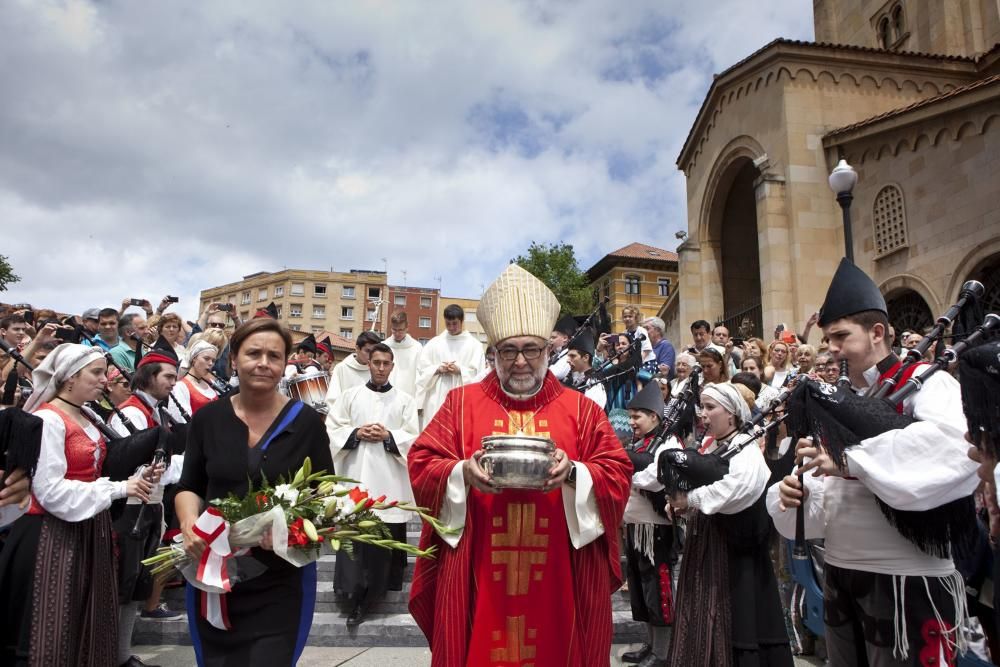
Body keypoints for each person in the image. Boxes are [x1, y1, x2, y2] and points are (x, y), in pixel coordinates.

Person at [407, 264, 631, 666]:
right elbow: (423, 462)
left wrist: (575, 473)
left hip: (561, 568)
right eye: (508, 350)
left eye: (532, 349)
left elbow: (616, 471)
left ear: (549, 351)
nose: (521, 361)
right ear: (493, 354)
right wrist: (461, 472)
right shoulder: (460, 405)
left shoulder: (581, 411)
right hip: (479, 564)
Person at [768, 258, 979, 666]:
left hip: (908, 579)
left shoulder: (930, 383)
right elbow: (831, 495)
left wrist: (848, 460)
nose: (830, 348)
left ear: (877, 332)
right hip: (841, 572)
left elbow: (953, 449)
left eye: (840, 336)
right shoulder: (849, 399)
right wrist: (797, 494)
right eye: (827, 338)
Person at [175, 318, 335, 666]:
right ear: (233, 359)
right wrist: (189, 525)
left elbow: (324, 495)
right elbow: (189, 486)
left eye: (274, 356)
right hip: (214, 577)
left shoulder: (306, 422)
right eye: (253, 353)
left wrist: (291, 529)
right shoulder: (208, 420)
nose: (264, 363)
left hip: (281, 579)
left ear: (284, 364)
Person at [0, 344, 157, 666]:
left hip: (88, 530)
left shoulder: (86, 413)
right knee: (52, 630)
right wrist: (117, 488)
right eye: (96, 373)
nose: (105, 379)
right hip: (52, 536)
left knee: (83, 627)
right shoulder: (48, 419)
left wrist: (137, 475)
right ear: (70, 378)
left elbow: (96, 471)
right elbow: (50, 492)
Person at [668, 382, 793, 666]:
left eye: (711, 407)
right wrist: (681, 504)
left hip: (736, 551)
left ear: (733, 414)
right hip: (708, 546)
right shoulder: (715, 445)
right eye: (702, 407)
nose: (703, 414)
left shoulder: (745, 448)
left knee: (739, 619)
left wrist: (690, 499)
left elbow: (739, 489)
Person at [326, 342, 419, 626]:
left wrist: (390, 436)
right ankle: (352, 595)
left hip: (388, 481)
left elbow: (414, 438)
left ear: (392, 366)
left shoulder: (404, 400)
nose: (380, 367)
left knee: (380, 539)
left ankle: (372, 596)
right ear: (369, 363)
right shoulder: (350, 396)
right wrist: (356, 432)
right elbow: (332, 427)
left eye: (385, 363)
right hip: (356, 476)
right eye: (376, 362)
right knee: (354, 538)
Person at [621, 382, 679, 667]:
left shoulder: (668, 443)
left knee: (658, 587)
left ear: (654, 417)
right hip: (635, 525)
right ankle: (650, 645)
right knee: (641, 590)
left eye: (637, 417)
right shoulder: (639, 444)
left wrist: (625, 475)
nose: (632, 422)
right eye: (630, 417)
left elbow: (655, 477)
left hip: (655, 528)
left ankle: (664, 652)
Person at [413, 304, 484, 428]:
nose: (451, 327)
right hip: (436, 397)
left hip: (461, 397)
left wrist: (460, 370)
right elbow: (421, 369)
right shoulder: (434, 343)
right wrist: (437, 369)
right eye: (448, 324)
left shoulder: (474, 345)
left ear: (462, 321)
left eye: (455, 323)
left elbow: (479, 375)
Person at [326, 331, 381, 406]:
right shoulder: (342, 368)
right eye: (367, 351)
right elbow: (332, 400)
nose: (371, 355)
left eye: (374, 351)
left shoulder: (378, 370)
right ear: (357, 348)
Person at [563, 331, 608, 409]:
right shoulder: (569, 379)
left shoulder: (595, 384)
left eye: (573, 356)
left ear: (585, 358)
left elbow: (591, 415)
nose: (568, 360)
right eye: (568, 356)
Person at [174, 340, 219, 417]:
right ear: (194, 359)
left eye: (213, 360)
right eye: (206, 358)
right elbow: (183, 421)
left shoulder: (210, 383)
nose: (211, 363)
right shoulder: (180, 386)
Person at [384, 312, 421, 398]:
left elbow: (420, 375)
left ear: (407, 328)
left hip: (409, 395)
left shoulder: (416, 347)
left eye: (400, 330)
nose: (397, 333)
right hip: (386, 395)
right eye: (394, 330)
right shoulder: (384, 346)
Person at [548, 315, 577, 381]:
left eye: (553, 337)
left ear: (565, 338)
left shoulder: (568, 355)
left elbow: (556, 374)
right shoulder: (556, 353)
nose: (550, 340)